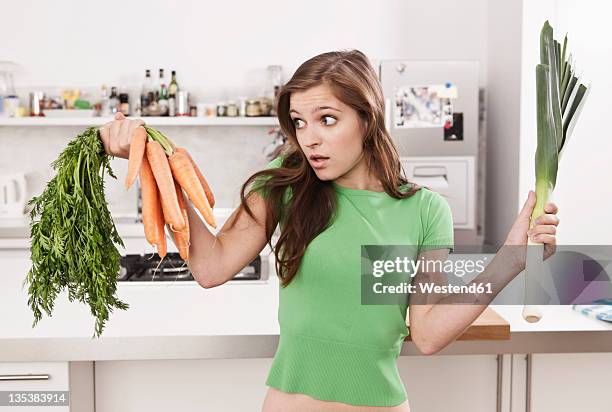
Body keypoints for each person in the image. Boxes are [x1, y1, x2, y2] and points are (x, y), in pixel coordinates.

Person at [99, 50, 559, 412]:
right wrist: (154, 162)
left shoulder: (425, 210)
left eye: (327, 119)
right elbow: (211, 266)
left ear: (368, 118)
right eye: (299, 122)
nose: (309, 138)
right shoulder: (286, 187)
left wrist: (511, 259)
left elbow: (429, 333)